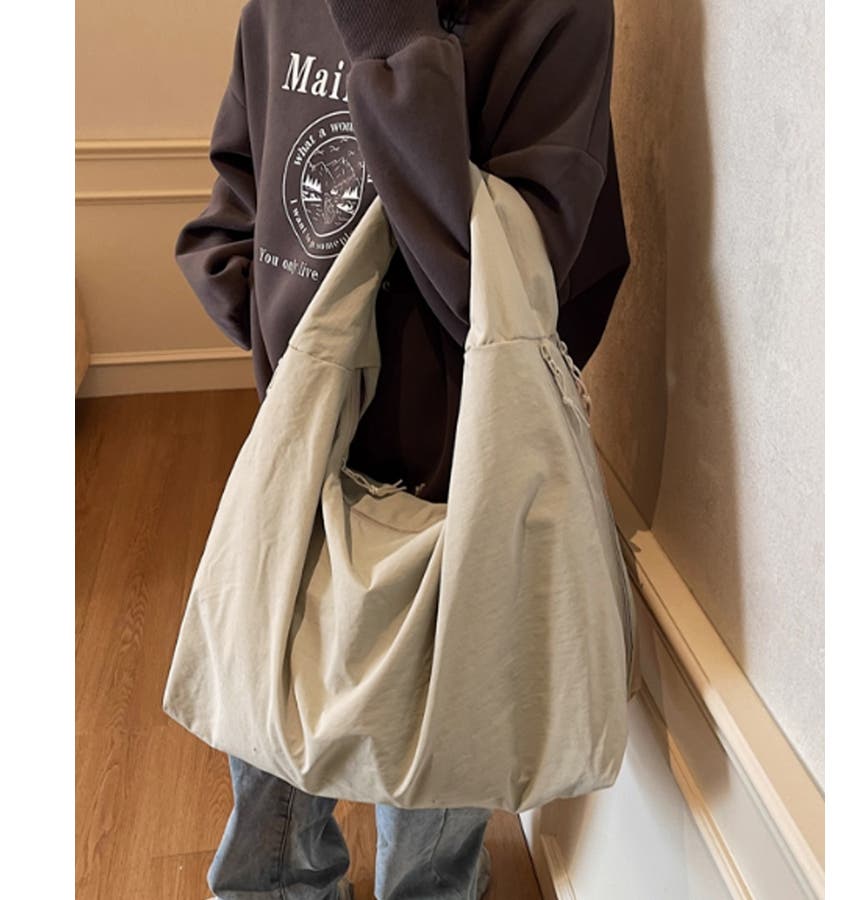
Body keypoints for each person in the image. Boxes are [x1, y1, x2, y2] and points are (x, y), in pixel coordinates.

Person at [173, 0, 630, 897]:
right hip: (300, 455)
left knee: (437, 796)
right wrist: (274, 325)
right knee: (270, 756)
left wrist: (393, 43)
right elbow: (239, 185)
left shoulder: (554, 14)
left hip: (462, 476)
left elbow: (513, 286)